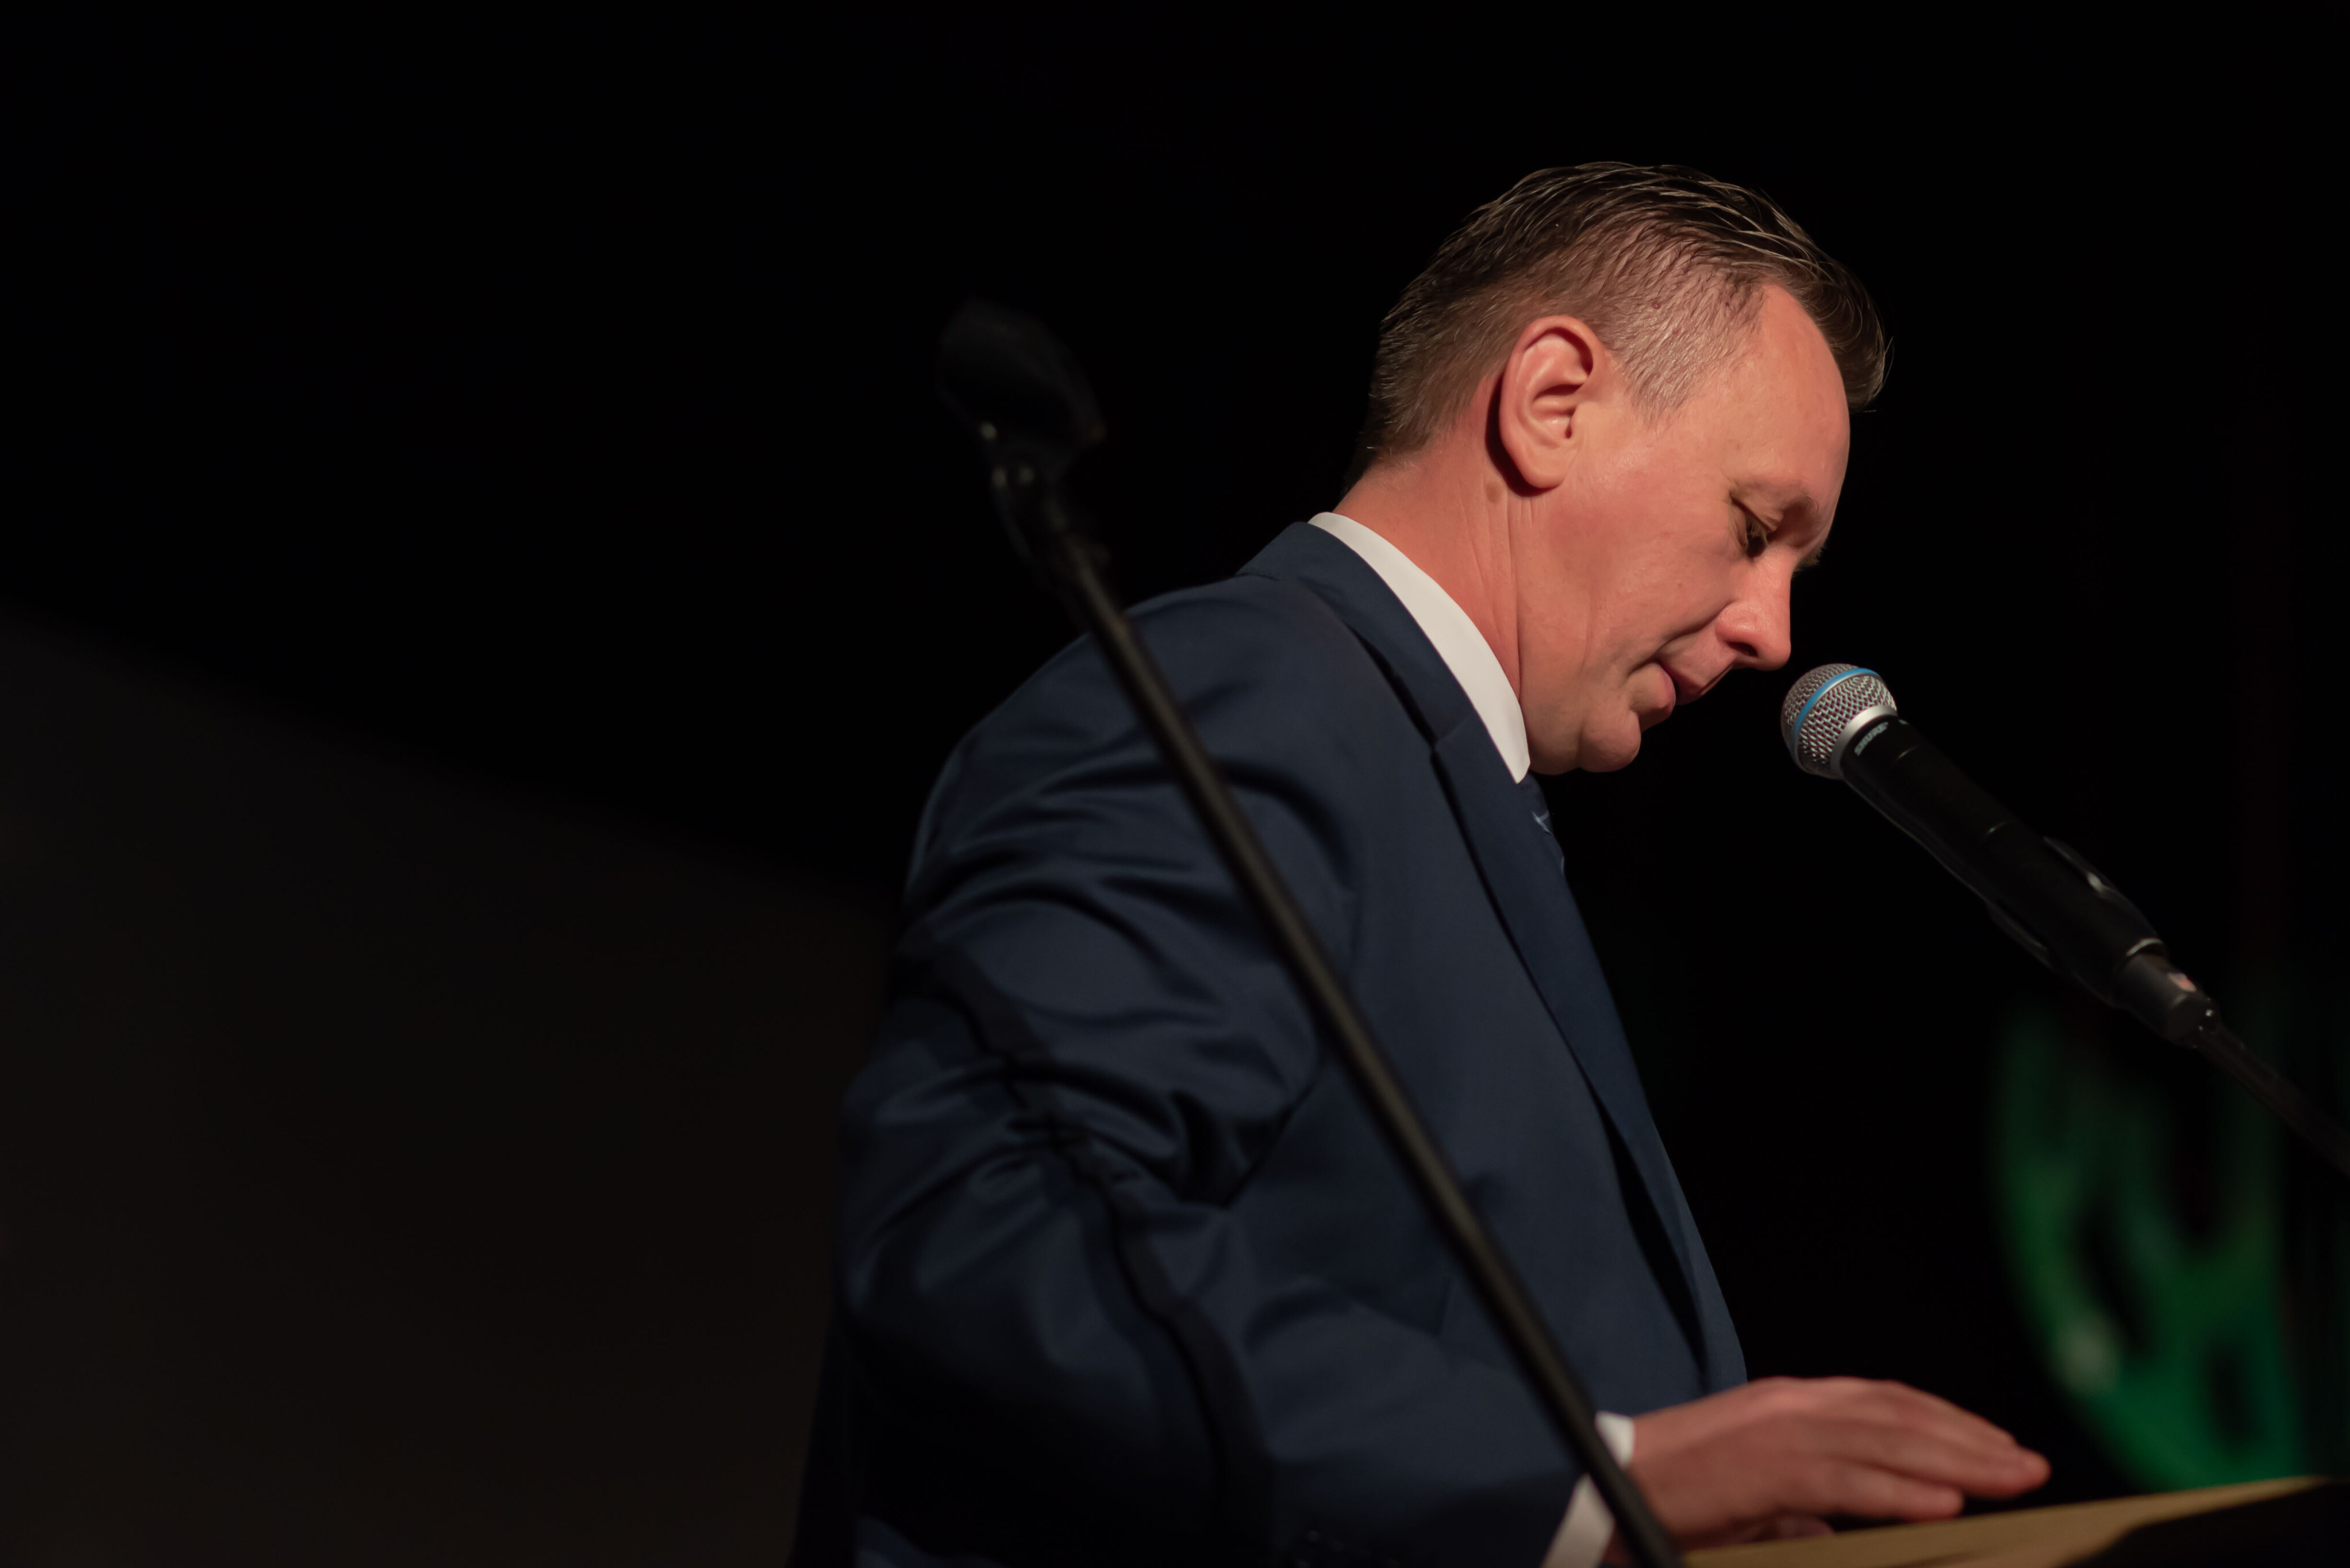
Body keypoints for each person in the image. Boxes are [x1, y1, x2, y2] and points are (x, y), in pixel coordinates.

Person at [803, 164, 2049, 1568]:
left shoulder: (1436, 790)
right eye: (1757, 529)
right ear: (1551, 401)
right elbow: (983, 1236)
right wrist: (1599, 1482)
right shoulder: (1251, 692)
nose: (1773, 631)